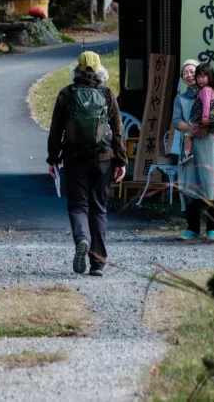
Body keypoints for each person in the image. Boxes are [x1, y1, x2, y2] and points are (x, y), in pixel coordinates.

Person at [47, 51, 127, 276]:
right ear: (100, 69)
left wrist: (52, 159)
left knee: (78, 206)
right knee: (99, 209)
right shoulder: (107, 93)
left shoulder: (66, 94)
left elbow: (56, 131)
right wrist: (120, 161)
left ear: (78, 70)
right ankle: (98, 263)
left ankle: (82, 238)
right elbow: (118, 131)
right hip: (103, 159)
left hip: (74, 160)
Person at [176, 62, 214, 241]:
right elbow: (177, 122)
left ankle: (213, 228)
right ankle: (193, 227)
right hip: (191, 145)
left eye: (192, 71)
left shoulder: (210, 93)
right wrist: (192, 129)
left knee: (211, 182)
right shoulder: (180, 99)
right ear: (182, 78)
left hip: (209, 145)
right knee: (191, 184)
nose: (190, 75)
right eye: (186, 73)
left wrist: (209, 128)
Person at [179, 63, 214, 166]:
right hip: (208, 127)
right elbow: (176, 121)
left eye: (203, 77)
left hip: (202, 123)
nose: (200, 80)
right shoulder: (180, 98)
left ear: (209, 77)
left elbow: (206, 104)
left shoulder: (205, 90)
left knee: (187, 135)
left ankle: (186, 153)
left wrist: (205, 116)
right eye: (198, 77)